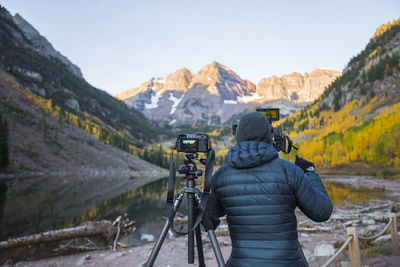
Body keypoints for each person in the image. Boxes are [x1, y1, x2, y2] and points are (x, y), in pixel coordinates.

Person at [202, 111, 333, 267]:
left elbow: (207, 222)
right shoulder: (289, 171)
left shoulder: (222, 175)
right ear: (269, 135)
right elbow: (322, 212)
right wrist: (310, 173)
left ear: (238, 136)